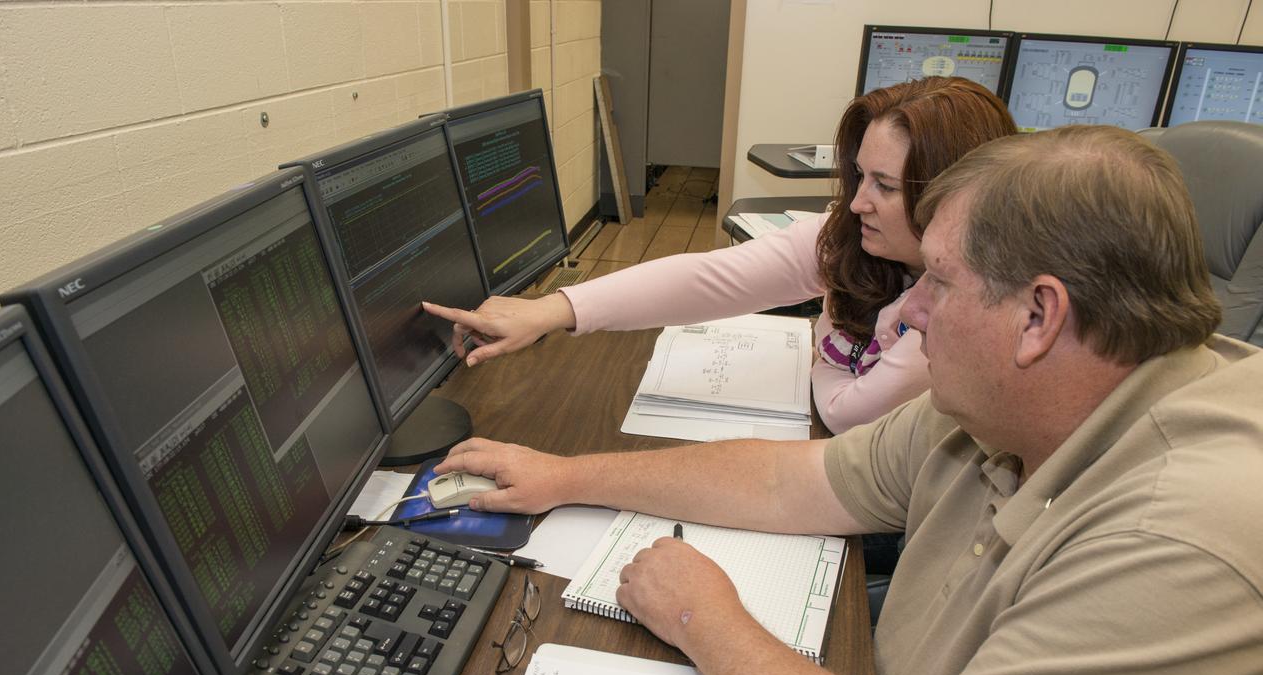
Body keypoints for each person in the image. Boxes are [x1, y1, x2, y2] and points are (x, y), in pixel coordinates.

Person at [434, 125, 1263, 675]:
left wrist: (703, 617)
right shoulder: (1003, 405)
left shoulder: (1180, 544)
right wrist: (566, 476)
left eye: (937, 282)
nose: (905, 316)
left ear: (1039, 318)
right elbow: (796, 480)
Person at [424, 77, 1018, 434]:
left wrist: (824, 341)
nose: (858, 202)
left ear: (948, 192)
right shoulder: (864, 242)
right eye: (860, 176)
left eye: (885, 187)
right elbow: (710, 278)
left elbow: (844, 411)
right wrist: (551, 310)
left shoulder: (965, 308)